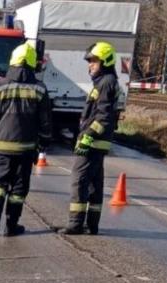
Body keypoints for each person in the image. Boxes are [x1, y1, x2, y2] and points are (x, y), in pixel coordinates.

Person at [0, 43, 52, 237]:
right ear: (32, 63)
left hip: (2, 146)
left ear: (12, 61)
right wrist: (44, 142)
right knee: (19, 188)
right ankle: (11, 225)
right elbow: (45, 121)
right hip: (26, 148)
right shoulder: (39, 89)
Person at [62, 42, 120, 235]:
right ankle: (91, 224)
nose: (90, 65)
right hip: (99, 142)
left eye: (94, 62)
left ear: (105, 61)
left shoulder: (105, 83)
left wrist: (87, 137)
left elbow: (102, 116)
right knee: (95, 183)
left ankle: (75, 223)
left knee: (79, 180)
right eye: (90, 62)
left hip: (94, 141)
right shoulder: (107, 81)